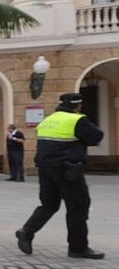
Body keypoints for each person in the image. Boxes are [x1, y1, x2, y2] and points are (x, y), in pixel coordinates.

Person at [15, 92, 105, 259]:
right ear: (78, 106)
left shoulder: (47, 120)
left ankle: (27, 231)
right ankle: (78, 248)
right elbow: (96, 136)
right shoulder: (76, 120)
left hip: (45, 170)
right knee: (78, 207)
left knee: (48, 205)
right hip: (68, 170)